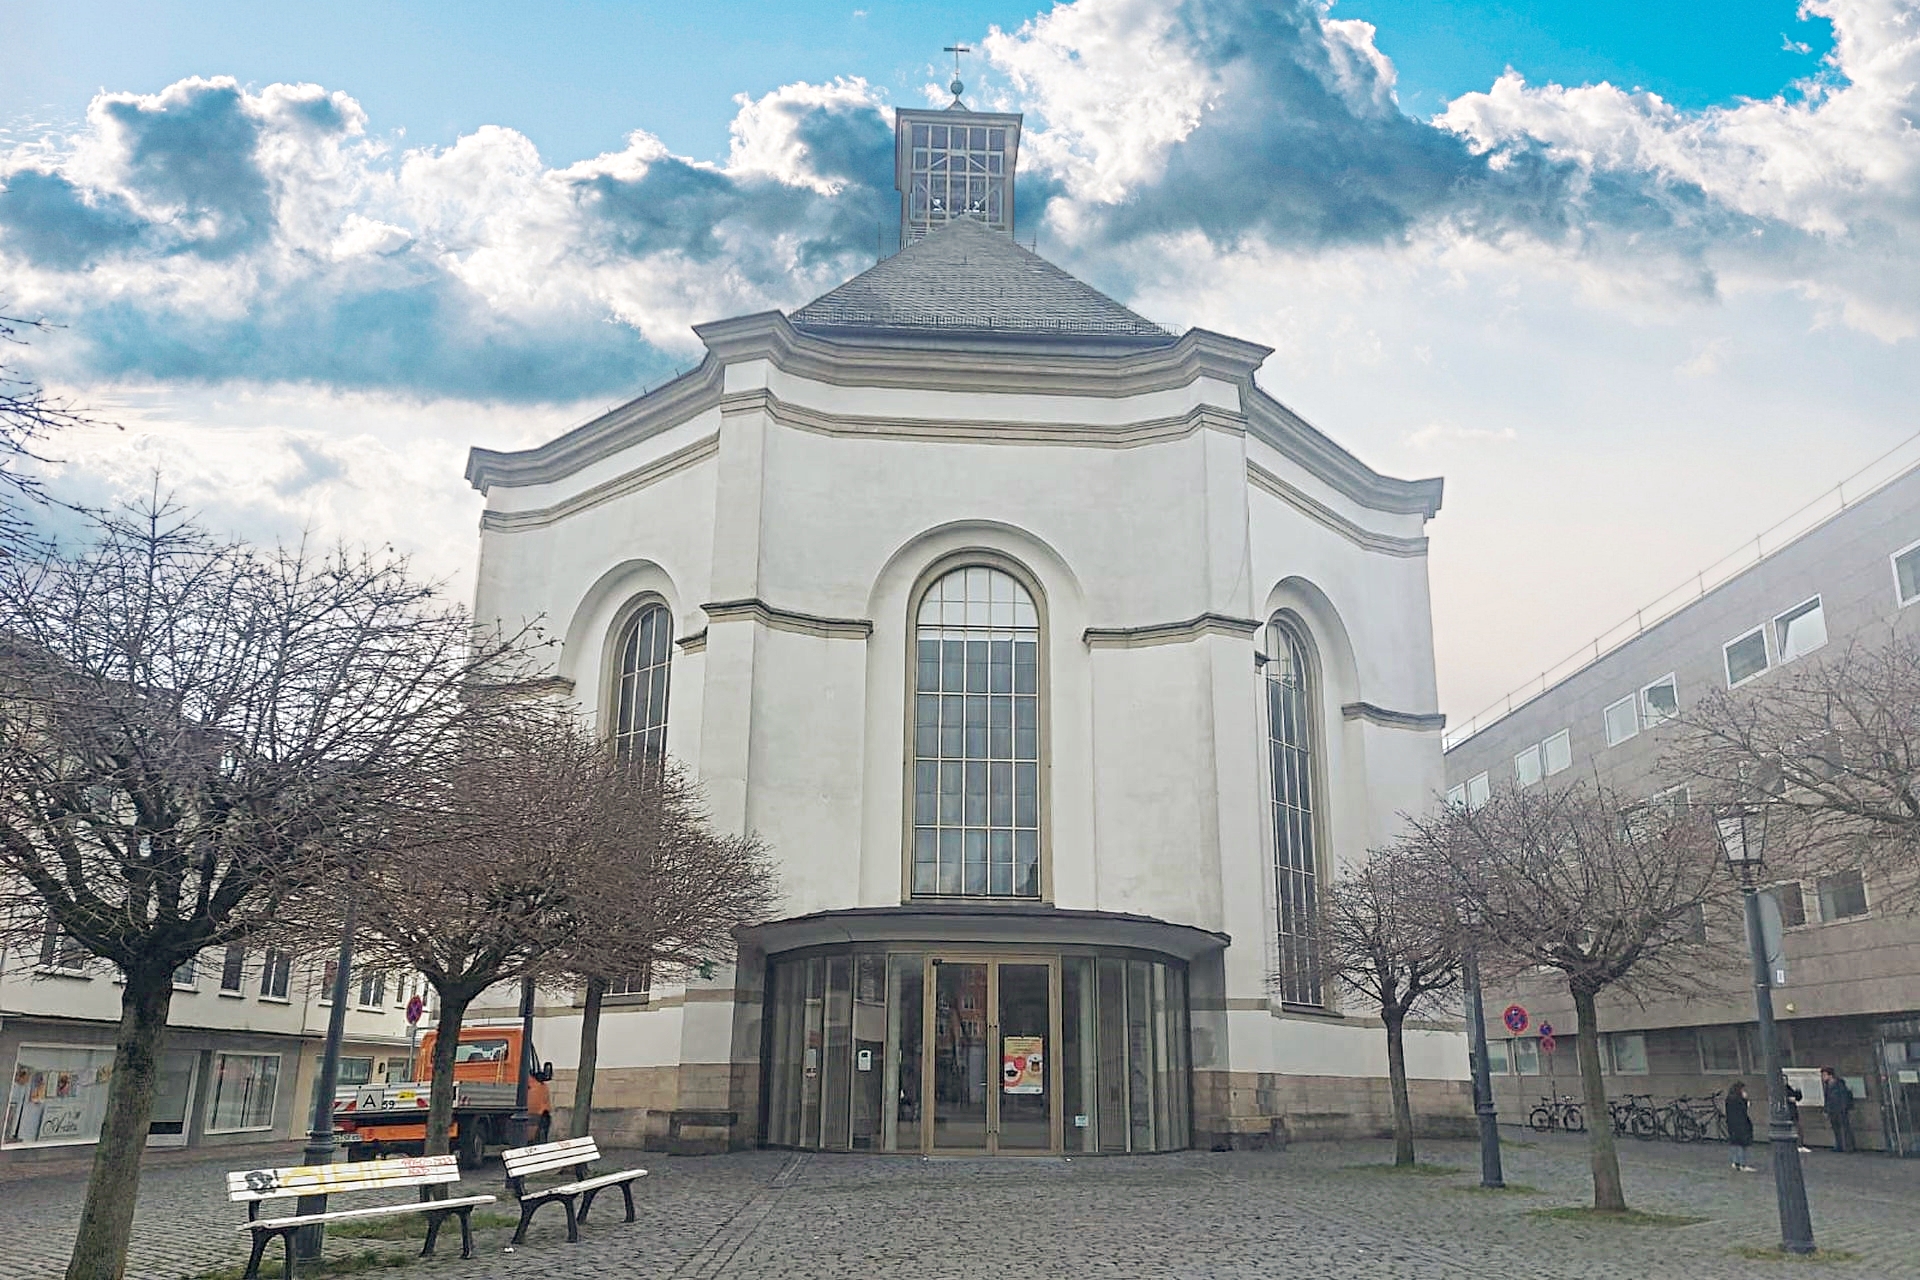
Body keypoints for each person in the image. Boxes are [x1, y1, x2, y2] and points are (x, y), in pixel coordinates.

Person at [1821, 1066, 1858, 1152]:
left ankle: (1849, 1147)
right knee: (1836, 1129)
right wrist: (1826, 1110)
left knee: (1845, 1128)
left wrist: (1843, 1109)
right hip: (1832, 1110)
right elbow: (1827, 1099)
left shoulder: (1839, 1084)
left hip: (1840, 1110)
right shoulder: (1827, 1086)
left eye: (1824, 1075)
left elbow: (1843, 1098)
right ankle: (1839, 1146)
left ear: (1830, 1075)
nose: (1823, 1077)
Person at [1725, 1081, 1756, 1171]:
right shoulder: (1739, 1100)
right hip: (1741, 1124)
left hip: (1732, 1124)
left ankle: (1736, 1162)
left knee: (1735, 1144)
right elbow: (1743, 1110)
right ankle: (1743, 1164)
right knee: (1742, 1144)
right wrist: (1745, 1100)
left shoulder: (1729, 1099)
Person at [1783, 1076, 1811, 1153]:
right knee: (1794, 1129)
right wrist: (1789, 1099)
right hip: (1787, 1112)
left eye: (1785, 1080)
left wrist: (1797, 1091)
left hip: (1793, 1111)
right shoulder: (1780, 1090)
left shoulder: (1789, 1088)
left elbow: (1798, 1097)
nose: (1784, 1081)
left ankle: (1799, 1145)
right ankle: (1796, 1145)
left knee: (1798, 1128)